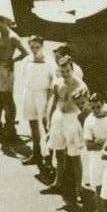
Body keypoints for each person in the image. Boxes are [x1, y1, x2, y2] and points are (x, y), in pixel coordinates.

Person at [43, 55, 88, 202]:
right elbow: (53, 101)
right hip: (58, 117)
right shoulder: (57, 83)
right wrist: (49, 121)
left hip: (72, 119)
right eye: (62, 71)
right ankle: (58, 182)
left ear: (72, 69)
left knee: (74, 156)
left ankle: (79, 189)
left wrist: (83, 127)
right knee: (59, 152)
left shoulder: (81, 86)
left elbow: (85, 108)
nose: (65, 74)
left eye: (67, 71)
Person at [17, 35, 54, 170]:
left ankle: (49, 158)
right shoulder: (26, 60)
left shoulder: (49, 62)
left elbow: (53, 83)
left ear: (42, 46)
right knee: (32, 124)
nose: (34, 50)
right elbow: (24, 76)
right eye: (31, 47)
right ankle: (36, 153)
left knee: (46, 126)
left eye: (37, 47)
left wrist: (49, 100)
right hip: (29, 93)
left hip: (43, 95)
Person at [81, 94, 107, 212]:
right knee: (98, 188)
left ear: (103, 104)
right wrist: (105, 143)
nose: (96, 109)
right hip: (96, 160)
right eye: (93, 107)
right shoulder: (89, 121)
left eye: (98, 106)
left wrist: (100, 143)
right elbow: (88, 145)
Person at [0, 16, 27, 137]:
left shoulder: (13, 37)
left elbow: (25, 53)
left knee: (7, 98)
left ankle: (10, 126)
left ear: (5, 23)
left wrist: (13, 60)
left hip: (5, 69)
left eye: (0, 26)